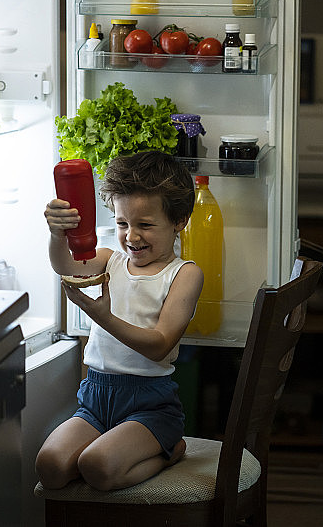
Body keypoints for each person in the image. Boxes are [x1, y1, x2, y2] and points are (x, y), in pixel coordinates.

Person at [36, 151, 204, 492]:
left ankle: (170, 449)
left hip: (151, 404)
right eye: (122, 223)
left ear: (179, 221)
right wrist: (57, 234)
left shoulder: (185, 274)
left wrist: (104, 318)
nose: (131, 236)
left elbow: (159, 345)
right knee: (50, 467)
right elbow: (66, 266)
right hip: (96, 397)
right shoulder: (110, 260)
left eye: (145, 225)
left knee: (96, 467)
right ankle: (126, 449)